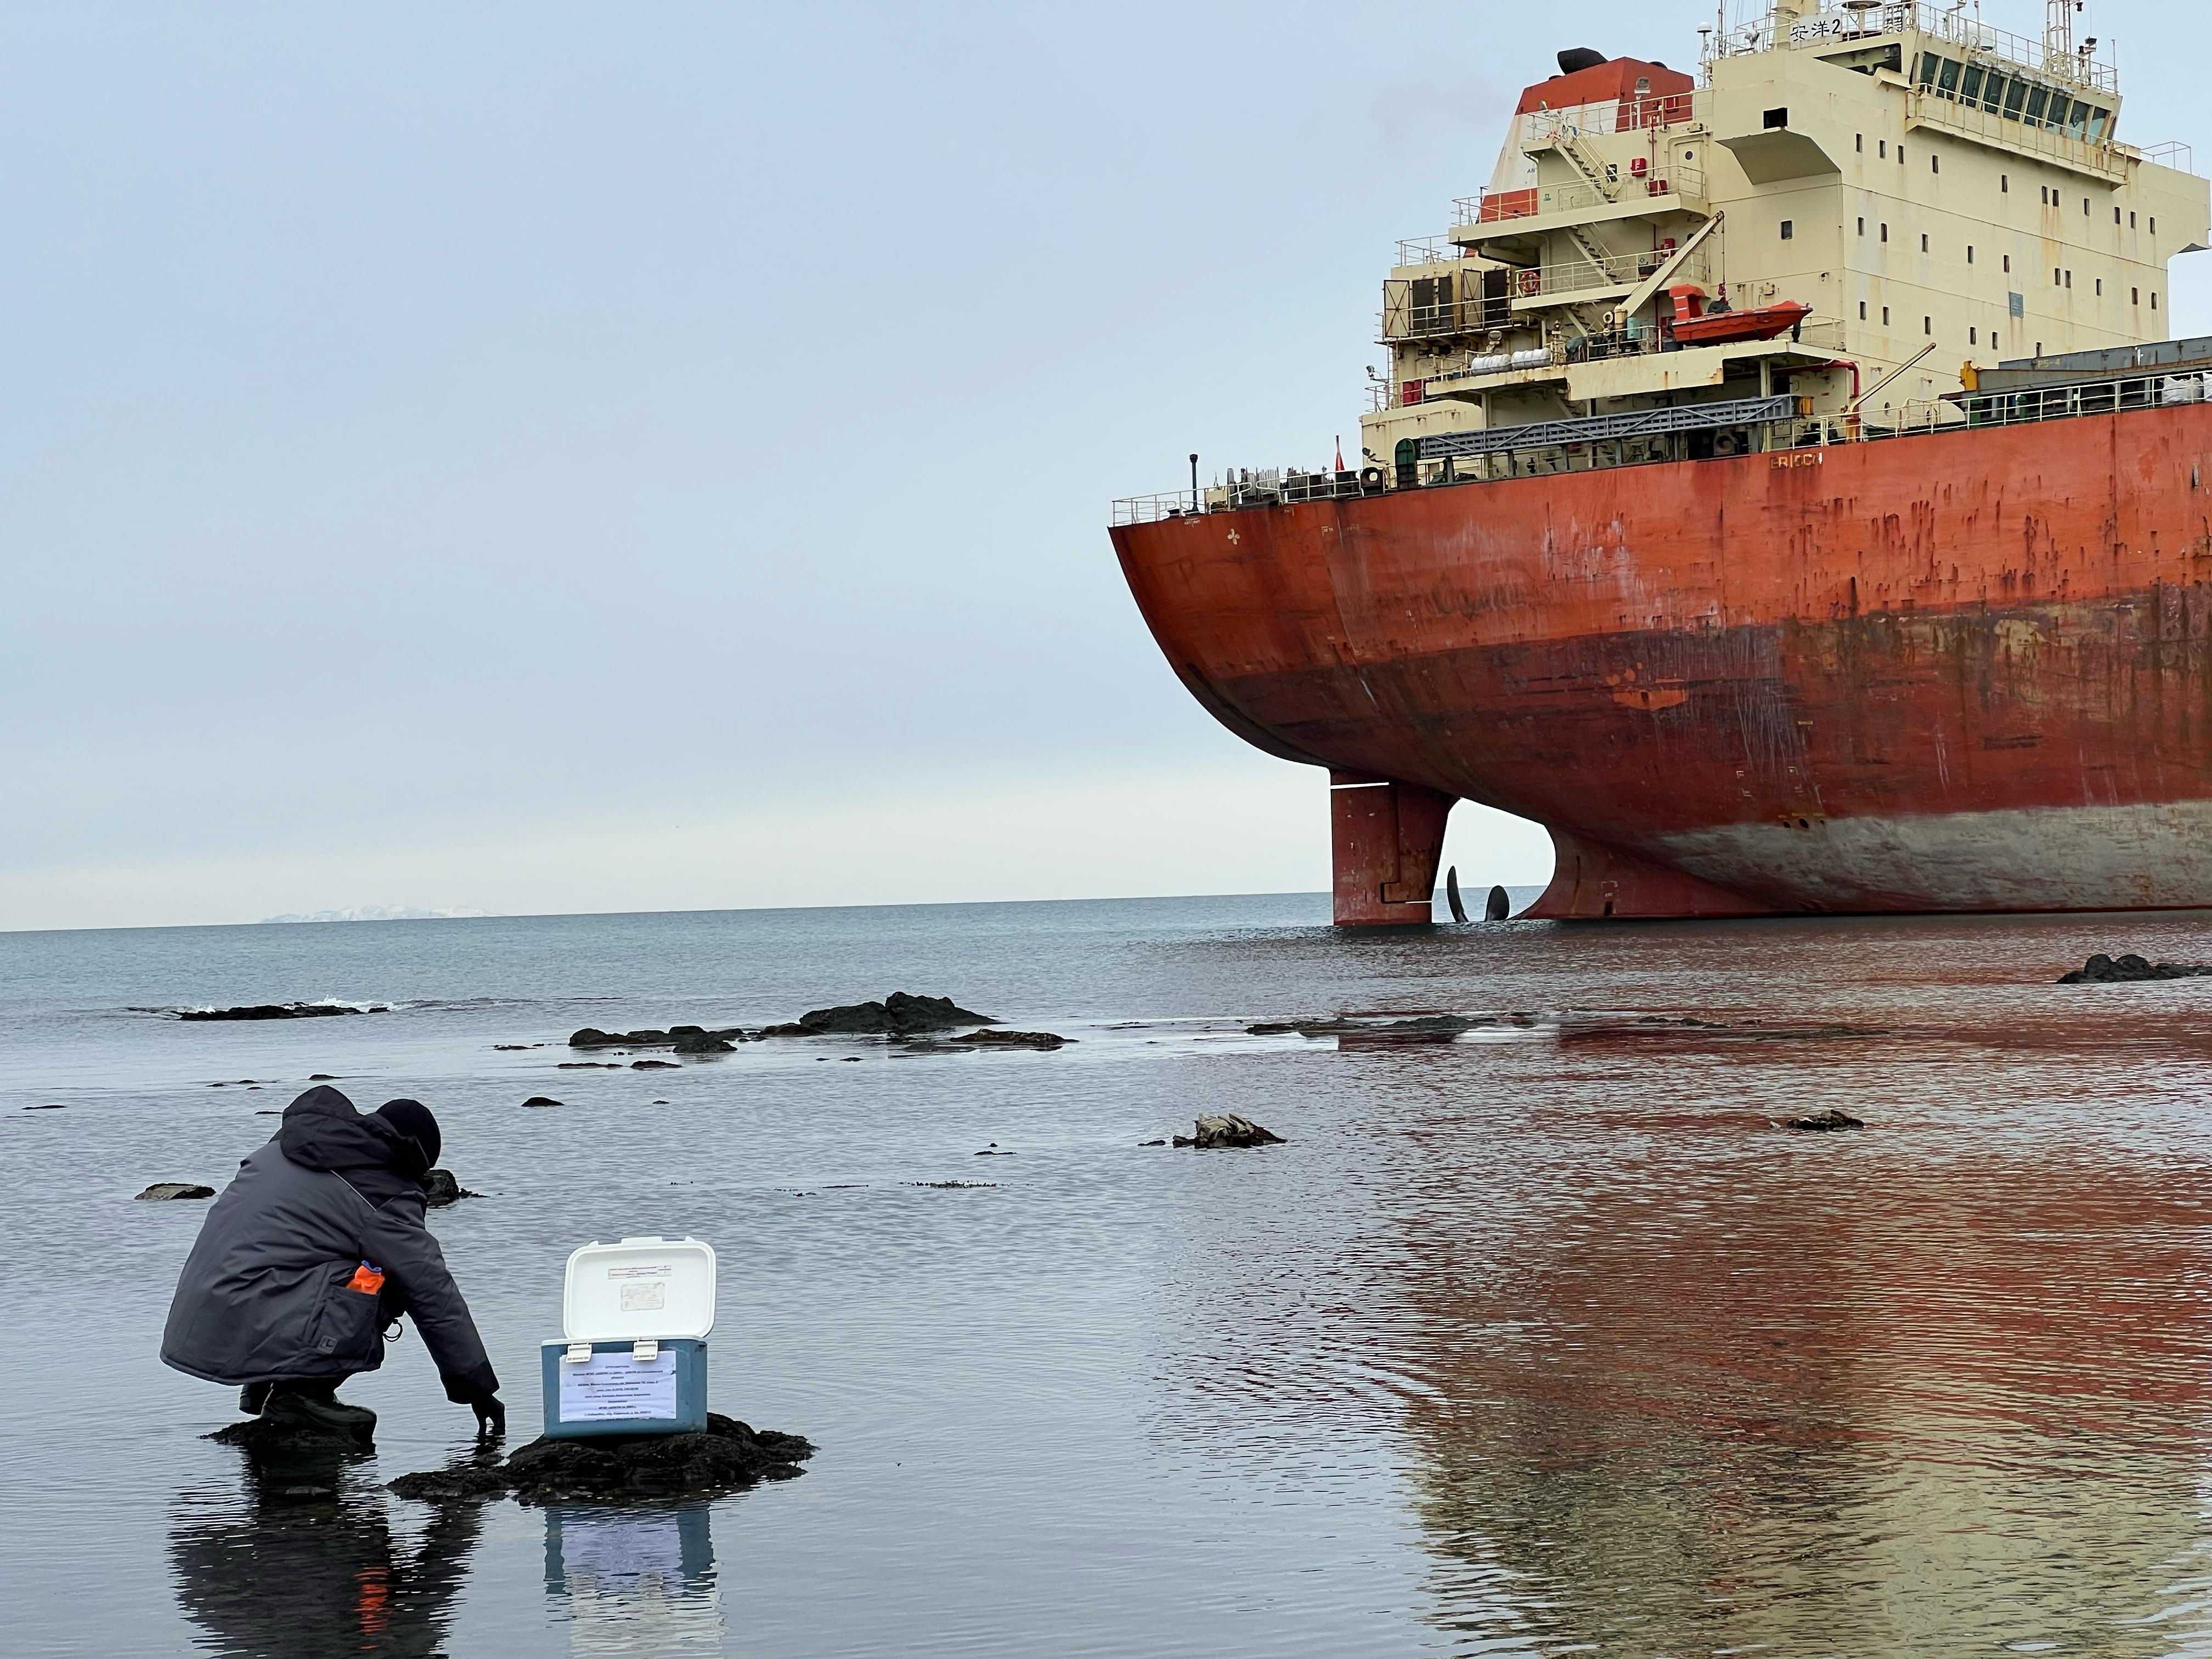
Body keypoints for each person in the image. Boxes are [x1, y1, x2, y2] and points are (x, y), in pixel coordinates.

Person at [162, 1084, 504, 1438]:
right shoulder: (380, 1190)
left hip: (204, 1310)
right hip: (259, 1308)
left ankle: (267, 1384)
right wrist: (476, 1388)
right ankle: (302, 1395)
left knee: (313, 1264)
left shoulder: (277, 1150)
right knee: (377, 1279)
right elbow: (432, 1291)